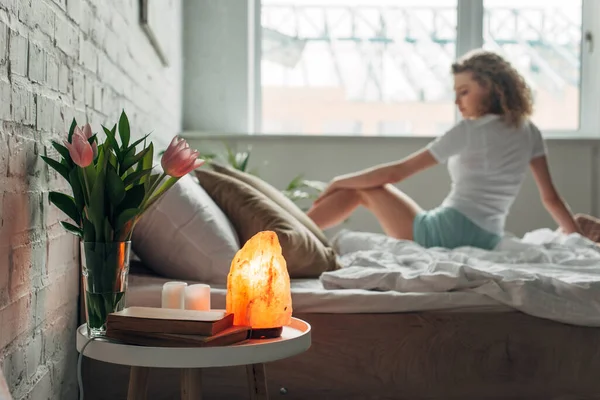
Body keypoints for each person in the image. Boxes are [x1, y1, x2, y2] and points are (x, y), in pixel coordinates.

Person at [307, 50, 581, 250]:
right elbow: (552, 199)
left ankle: (290, 235)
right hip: (489, 238)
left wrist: (337, 181)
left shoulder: (469, 131)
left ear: (491, 88)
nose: (457, 101)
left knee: (361, 188)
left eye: (464, 91)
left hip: (447, 232)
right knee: (366, 188)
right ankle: (291, 234)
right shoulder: (528, 130)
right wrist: (579, 241)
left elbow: (396, 172)